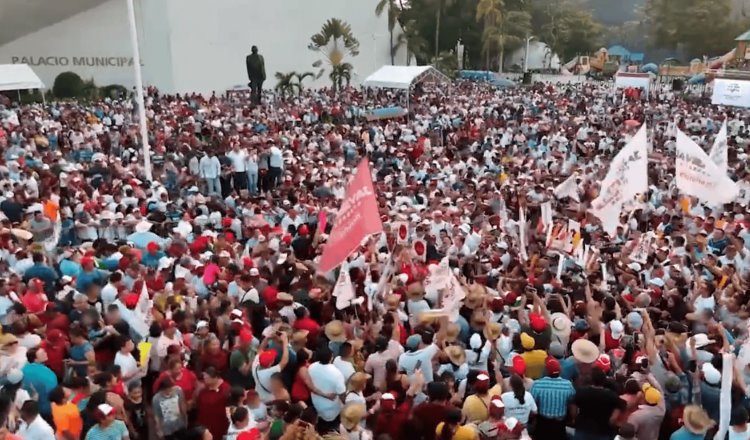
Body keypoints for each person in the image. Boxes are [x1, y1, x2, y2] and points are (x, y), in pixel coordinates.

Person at [308, 345, 346, 434]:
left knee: (321, 426)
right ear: (331, 358)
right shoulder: (337, 373)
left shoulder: (311, 367)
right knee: (330, 430)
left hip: (316, 403)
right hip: (332, 409)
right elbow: (342, 394)